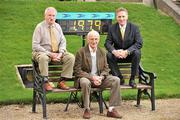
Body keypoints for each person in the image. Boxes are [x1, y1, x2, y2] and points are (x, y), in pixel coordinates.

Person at [74, 30, 122, 119]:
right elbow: (77, 70)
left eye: (96, 39)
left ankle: (111, 109)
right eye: (92, 39)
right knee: (84, 82)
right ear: (88, 40)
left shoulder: (102, 51)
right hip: (86, 78)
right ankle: (87, 109)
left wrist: (101, 77)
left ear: (99, 40)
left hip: (100, 79)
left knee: (116, 80)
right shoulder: (81, 52)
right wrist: (93, 77)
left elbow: (106, 68)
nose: (94, 41)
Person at [32, 7, 75, 91]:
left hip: (57, 52)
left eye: (53, 15)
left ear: (55, 17)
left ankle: (62, 81)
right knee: (43, 58)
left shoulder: (58, 26)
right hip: (42, 52)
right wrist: (50, 54)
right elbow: (35, 45)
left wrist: (61, 53)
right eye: (49, 15)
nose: (51, 17)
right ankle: (45, 82)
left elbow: (63, 41)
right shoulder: (39, 27)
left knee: (70, 57)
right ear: (45, 16)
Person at [104, 7, 143, 88]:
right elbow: (107, 43)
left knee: (137, 52)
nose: (121, 19)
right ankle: (119, 78)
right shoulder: (112, 28)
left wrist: (127, 51)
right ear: (116, 18)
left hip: (130, 55)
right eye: (119, 17)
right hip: (117, 55)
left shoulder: (134, 27)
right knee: (109, 55)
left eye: (123, 16)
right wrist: (114, 51)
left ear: (127, 17)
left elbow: (139, 43)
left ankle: (132, 79)